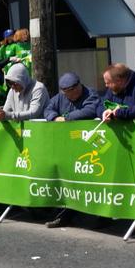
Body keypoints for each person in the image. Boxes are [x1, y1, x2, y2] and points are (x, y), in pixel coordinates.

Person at [44, 72, 101, 229]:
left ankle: (96, 217)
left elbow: (90, 111)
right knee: (67, 182)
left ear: (77, 87)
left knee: (88, 183)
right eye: (65, 93)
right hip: (66, 148)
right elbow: (48, 109)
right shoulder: (60, 98)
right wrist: (54, 117)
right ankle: (64, 216)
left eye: (71, 92)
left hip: (87, 148)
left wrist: (66, 118)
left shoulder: (90, 94)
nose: (69, 96)